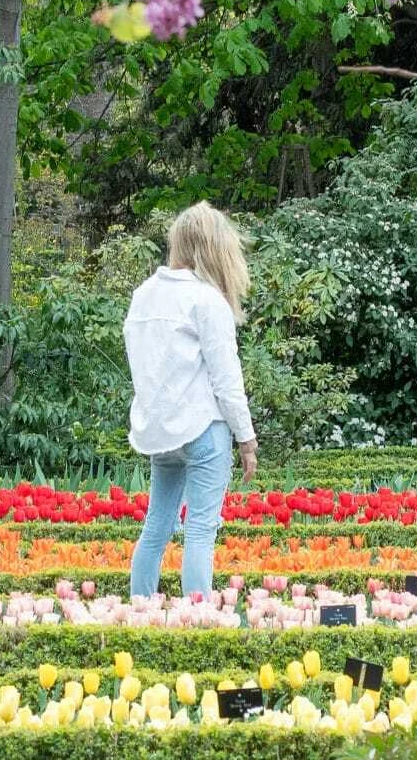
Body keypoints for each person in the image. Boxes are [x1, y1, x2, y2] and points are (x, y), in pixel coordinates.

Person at [122, 202, 257, 600]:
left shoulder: (143, 295)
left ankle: (138, 612)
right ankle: (196, 623)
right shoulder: (206, 300)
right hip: (202, 429)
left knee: (156, 526)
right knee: (200, 529)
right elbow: (227, 380)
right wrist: (246, 438)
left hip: (159, 432)